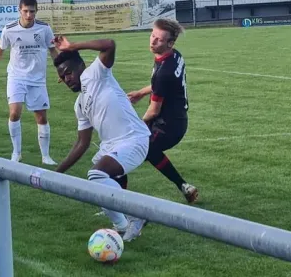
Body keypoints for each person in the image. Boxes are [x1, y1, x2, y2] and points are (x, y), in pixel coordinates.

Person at [53, 36, 150, 242]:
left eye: (69, 72)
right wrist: (57, 173)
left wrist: (72, 46)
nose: (67, 79)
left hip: (134, 139)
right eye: (62, 77)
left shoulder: (95, 74)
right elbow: (82, 143)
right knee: (98, 182)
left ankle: (137, 213)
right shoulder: (79, 105)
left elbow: (109, 44)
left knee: (96, 174)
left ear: (81, 66)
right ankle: (122, 226)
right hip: (111, 146)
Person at [0, 0, 58, 165]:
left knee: (41, 117)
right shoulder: (9, 29)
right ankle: (16, 152)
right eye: (25, 11)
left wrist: (61, 71)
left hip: (37, 79)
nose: (29, 15)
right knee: (14, 112)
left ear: (37, 11)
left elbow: (53, 50)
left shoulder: (44, 29)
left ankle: (46, 156)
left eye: (32, 11)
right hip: (16, 77)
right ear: (19, 10)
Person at [127, 19, 198, 203]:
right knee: (132, 151)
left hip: (169, 126)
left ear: (170, 43)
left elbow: (153, 110)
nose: (152, 41)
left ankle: (115, 200)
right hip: (177, 118)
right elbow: (161, 85)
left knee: (135, 150)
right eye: (152, 35)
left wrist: (138, 126)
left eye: (158, 39)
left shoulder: (163, 72)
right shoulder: (174, 56)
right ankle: (184, 187)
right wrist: (142, 92)